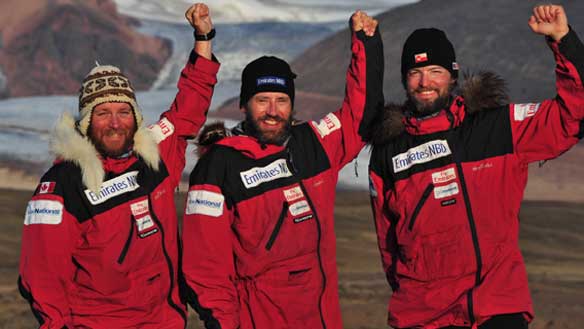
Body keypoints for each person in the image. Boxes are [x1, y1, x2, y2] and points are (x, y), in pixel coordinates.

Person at [366, 4, 584, 329]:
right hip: (423, 315)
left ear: (453, 76)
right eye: (415, 72)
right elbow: (388, 242)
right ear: (404, 80)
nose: (425, 82)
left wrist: (563, 40)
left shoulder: (498, 127)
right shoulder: (388, 152)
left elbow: (572, 117)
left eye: (435, 71)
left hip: (496, 308)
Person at [18, 3, 219, 328]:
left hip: (165, 321)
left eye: (123, 112)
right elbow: (41, 278)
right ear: (86, 122)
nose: (115, 123)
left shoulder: (155, 154)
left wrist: (204, 37)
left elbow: (189, 107)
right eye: (102, 113)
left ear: (136, 118)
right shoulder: (60, 187)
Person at [181, 10, 383, 329]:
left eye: (281, 100)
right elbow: (204, 264)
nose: (273, 112)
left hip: (320, 318)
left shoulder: (312, 143)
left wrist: (366, 45)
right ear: (243, 104)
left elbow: (359, 118)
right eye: (262, 100)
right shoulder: (218, 165)